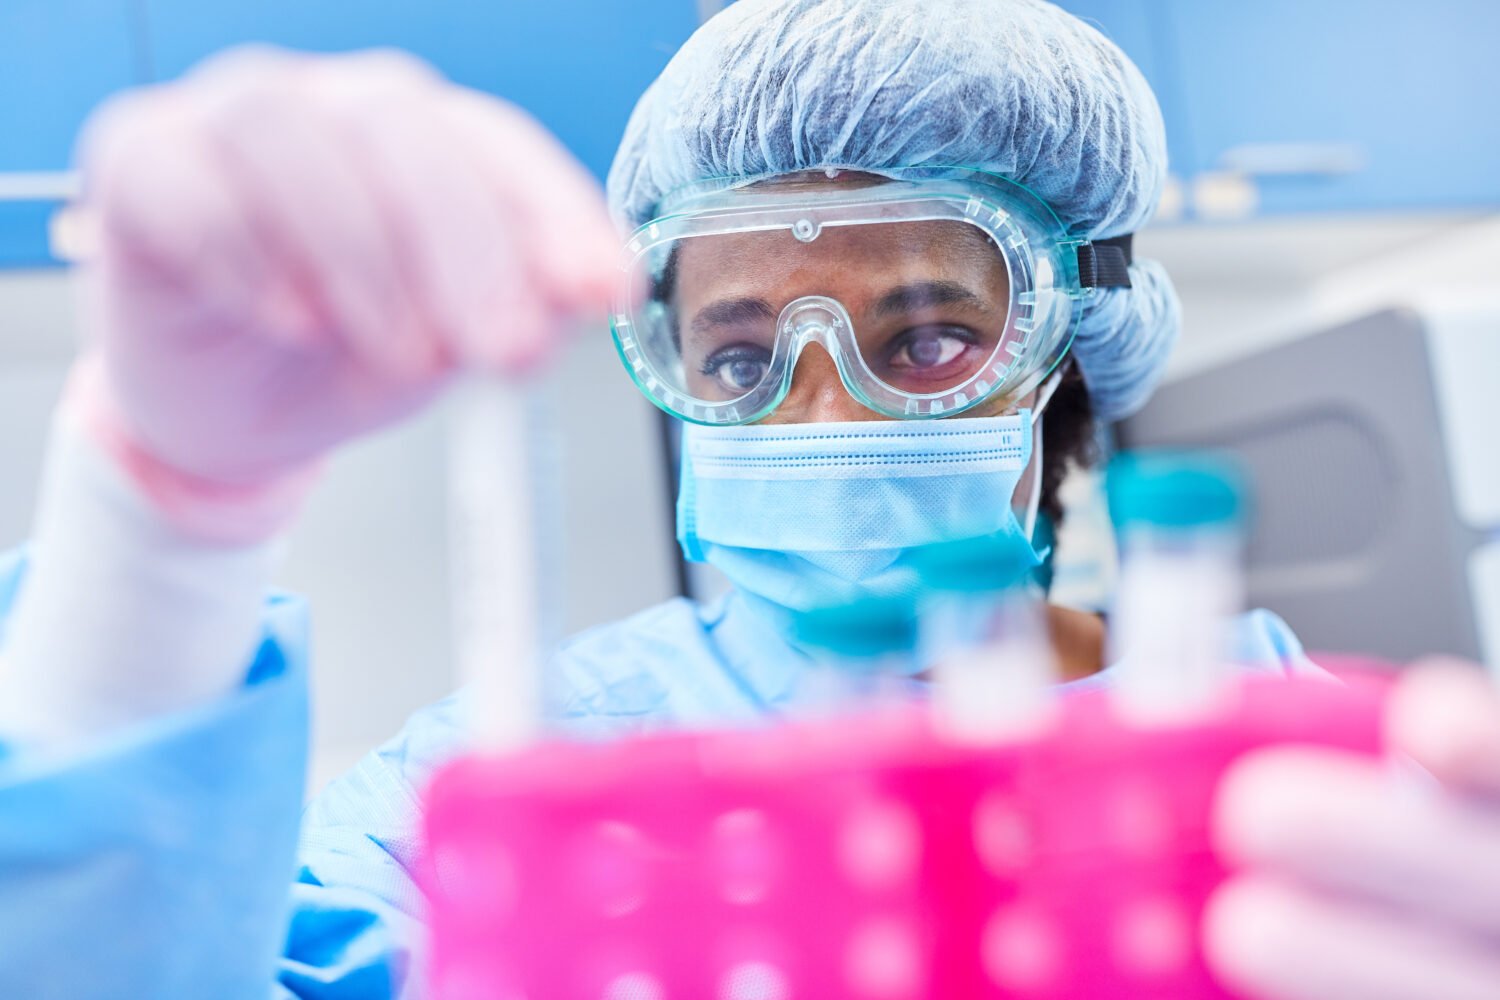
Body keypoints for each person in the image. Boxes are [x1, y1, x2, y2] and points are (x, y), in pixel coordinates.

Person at [0, 2, 1497, 998]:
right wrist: (159, 520)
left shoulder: (1259, 730)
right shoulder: (518, 772)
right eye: (738, 351)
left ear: (1065, 354)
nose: (825, 400)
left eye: (922, 337)